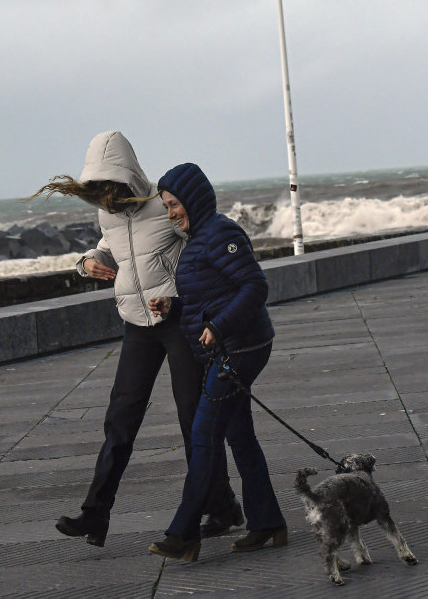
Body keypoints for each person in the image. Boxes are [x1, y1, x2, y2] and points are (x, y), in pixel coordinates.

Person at [30, 132, 242, 547]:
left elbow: (200, 251)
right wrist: (87, 263)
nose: (104, 197)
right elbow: (109, 249)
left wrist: (193, 302)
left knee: (191, 420)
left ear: (125, 175)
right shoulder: (107, 214)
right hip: (135, 326)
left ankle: (220, 507)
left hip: (177, 322)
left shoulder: (161, 207)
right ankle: (95, 514)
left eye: (108, 187)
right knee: (120, 421)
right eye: (97, 190)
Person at [146, 162, 287, 562]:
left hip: (239, 348)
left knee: (204, 436)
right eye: (166, 206)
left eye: (174, 203)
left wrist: (221, 327)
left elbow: (255, 286)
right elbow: (211, 294)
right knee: (239, 435)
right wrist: (173, 306)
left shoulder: (220, 233)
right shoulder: (200, 238)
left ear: (192, 198)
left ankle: (184, 534)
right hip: (229, 348)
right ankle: (267, 522)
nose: (171, 212)